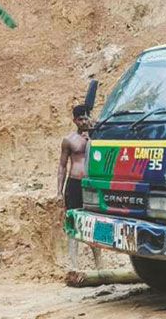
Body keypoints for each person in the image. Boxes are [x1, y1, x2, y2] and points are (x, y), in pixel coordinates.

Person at [57, 104, 101, 270]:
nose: (83, 121)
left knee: (93, 223)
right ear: (74, 120)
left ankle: (100, 265)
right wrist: (59, 191)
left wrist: (93, 139)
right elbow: (62, 166)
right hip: (74, 184)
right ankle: (74, 266)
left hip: (91, 185)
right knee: (73, 223)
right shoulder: (69, 140)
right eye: (80, 119)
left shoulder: (97, 137)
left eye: (86, 118)